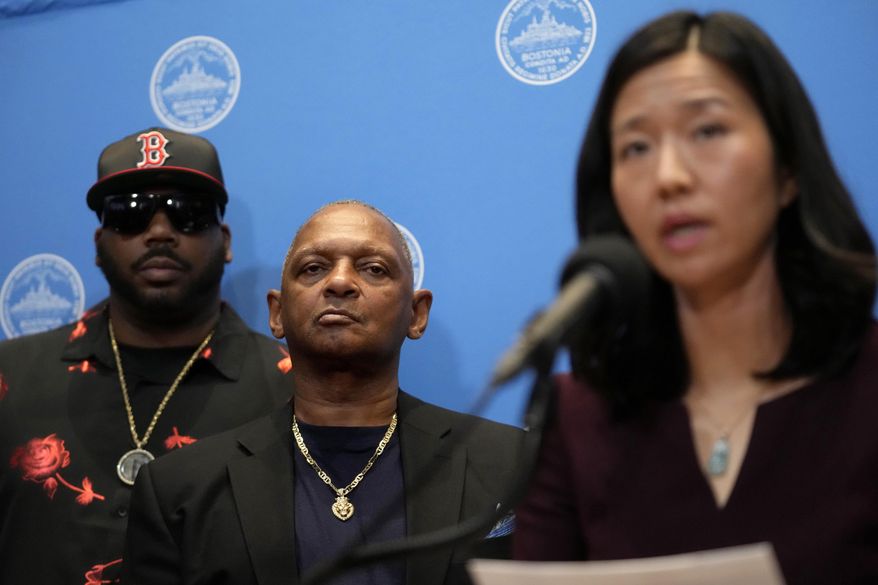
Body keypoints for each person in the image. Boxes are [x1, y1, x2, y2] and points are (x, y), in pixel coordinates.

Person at [512, 11, 878, 584]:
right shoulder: (580, 416)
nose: (669, 176)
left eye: (707, 131)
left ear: (788, 169)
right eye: (635, 147)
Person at [122, 200, 522, 585]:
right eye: (313, 268)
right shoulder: (179, 490)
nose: (341, 282)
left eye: (374, 269)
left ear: (416, 315)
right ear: (277, 314)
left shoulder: (512, 463)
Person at [0, 128, 293, 584]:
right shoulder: (9, 377)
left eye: (189, 214)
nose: (159, 232)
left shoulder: (293, 389)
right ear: (99, 245)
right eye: (129, 213)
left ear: (227, 240)